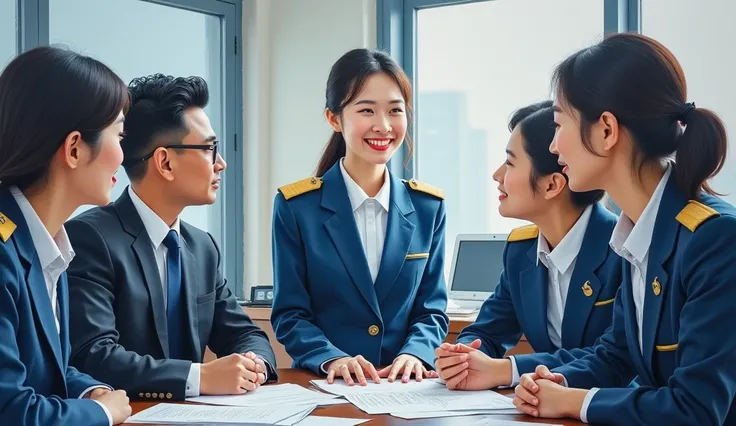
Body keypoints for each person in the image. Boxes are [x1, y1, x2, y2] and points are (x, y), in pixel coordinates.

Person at [512, 33, 736, 426]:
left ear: (606, 131)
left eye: (559, 124)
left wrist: (572, 402)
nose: (554, 146)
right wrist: (557, 382)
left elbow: (697, 409)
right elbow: (617, 355)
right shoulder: (640, 233)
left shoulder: (715, 240)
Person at [66, 74, 277, 402]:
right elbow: (94, 356)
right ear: (164, 161)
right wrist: (200, 376)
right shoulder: (90, 238)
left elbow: (244, 333)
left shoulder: (203, 246)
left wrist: (253, 363)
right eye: (210, 149)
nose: (221, 164)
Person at [271, 48, 449, 385]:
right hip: (328, 386)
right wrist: (331, 358)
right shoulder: (297, 207)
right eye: (366, 110)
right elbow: (291, 314)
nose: (383, 126)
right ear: (334, 119)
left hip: (407, 387)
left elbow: (432, 310)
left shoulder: (428, 207)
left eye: (395, 110)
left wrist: (416, 353)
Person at [434, 101, 621, 391]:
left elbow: (614, 358)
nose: (497, 175)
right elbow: (487, 332)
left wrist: (507, 370)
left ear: (552, 185)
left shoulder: (622, 248)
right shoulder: (520, 250)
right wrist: (462, 357)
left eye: (509, 162)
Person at [0, 46, 132, 425]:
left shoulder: (48, 244)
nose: (123, 156)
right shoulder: (4, 252)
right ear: (74, 148)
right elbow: (10, 410)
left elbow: (42, 373)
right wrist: (101, 413)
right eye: (119, 136)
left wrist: (91, 390)